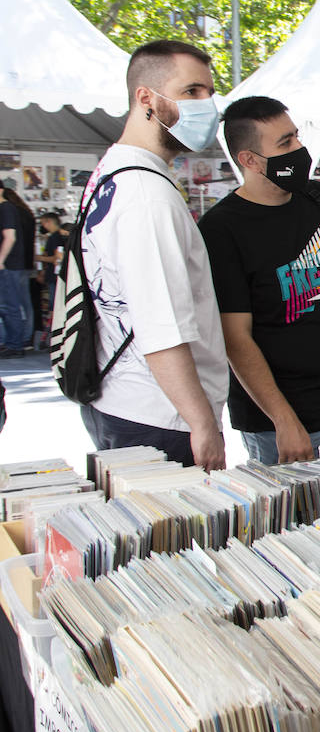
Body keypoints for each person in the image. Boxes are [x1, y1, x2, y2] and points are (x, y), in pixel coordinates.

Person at [198, 96, 320, 463]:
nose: (299, 148)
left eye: (296, 136)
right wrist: (284, 420)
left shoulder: (317, 196)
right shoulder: (221, 229)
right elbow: (235, 338)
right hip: (289, 419)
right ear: (249, 160)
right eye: (285, 143)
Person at [73, 40, 229, 469]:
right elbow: (162, 329)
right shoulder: (146, 195)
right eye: (193, 91)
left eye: (209, 94)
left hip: (119, 397)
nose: (207, 106)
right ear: (146, 97)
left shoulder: (111, 173)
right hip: (161, 416)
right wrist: (202, 424)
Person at [0, 188, 36, 357]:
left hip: (10, 265)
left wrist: (1, 260)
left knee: (11, 305)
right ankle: (14, 342)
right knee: (12, 304)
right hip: (17, 264)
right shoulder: (15, 209)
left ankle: (15, 344)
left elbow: (10, 237)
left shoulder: (6, 208)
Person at [35, 211, 69, 322]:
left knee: (53, 304)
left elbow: (56, 257)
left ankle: (54, 328)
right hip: (55, 275)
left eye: (43, 223)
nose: (42, 226)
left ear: (48, 222)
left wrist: (39, 258)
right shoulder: (56, 236)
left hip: (54, 276)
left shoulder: (55, 237)